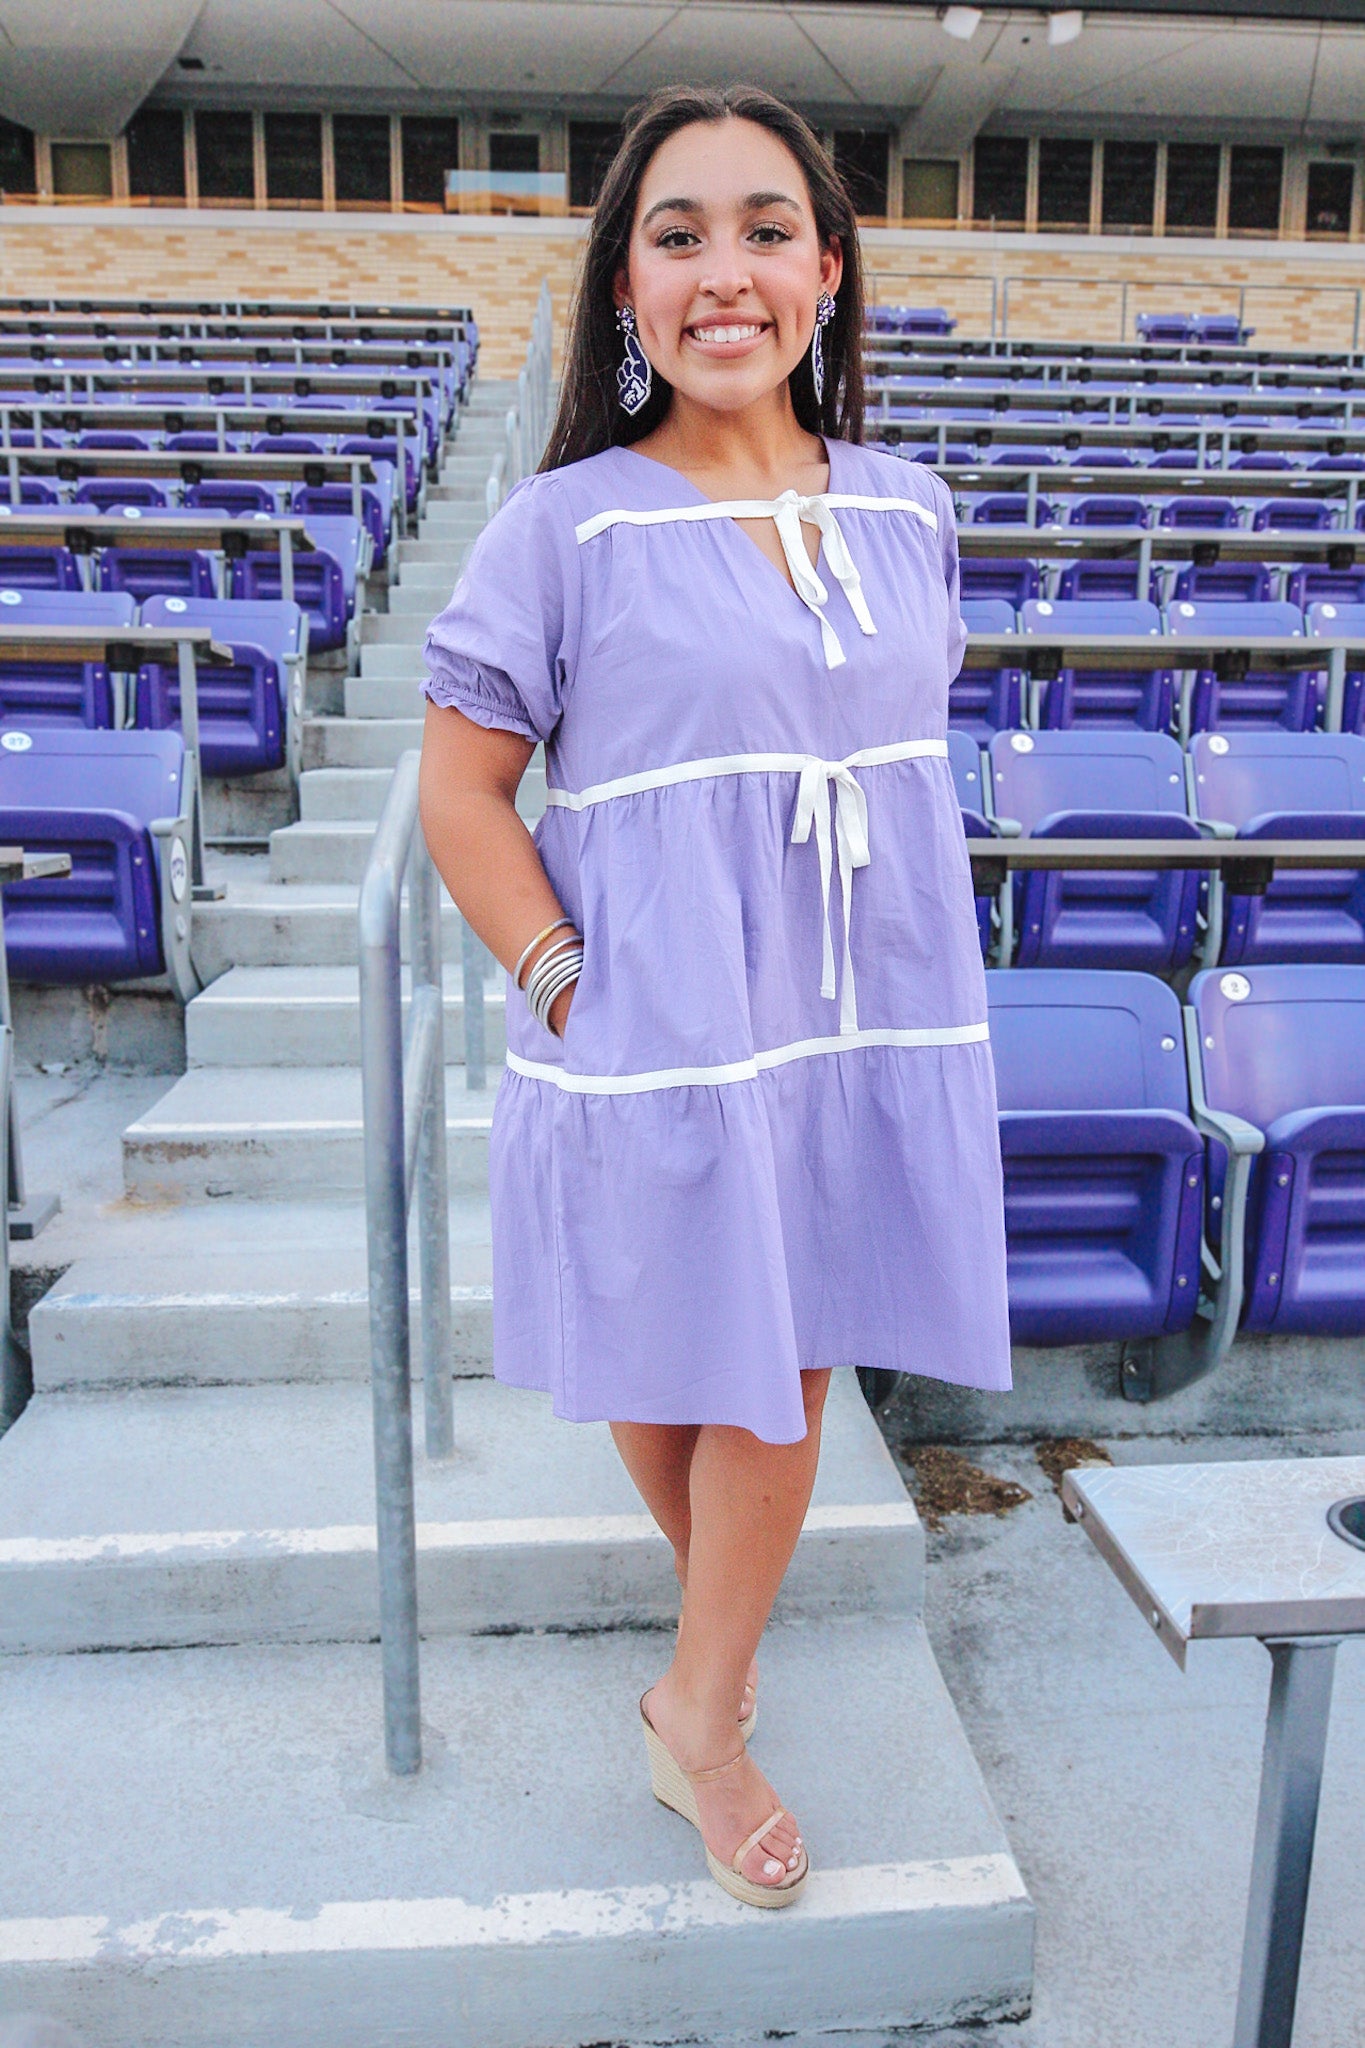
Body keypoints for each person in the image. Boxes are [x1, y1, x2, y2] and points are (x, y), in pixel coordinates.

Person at [420, 82, 1010, 1911]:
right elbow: (460, 790)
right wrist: (563, 979)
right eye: (676, 236)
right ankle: (712, 1683)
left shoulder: (910, 510)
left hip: (853, 1019)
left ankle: (699, 1698)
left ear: (827, 273)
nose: (723, 273)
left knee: (783, 1358)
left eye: (765, 230)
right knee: (668, 1353)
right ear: (626, 292)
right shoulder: (566, 528)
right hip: (654, 1019)